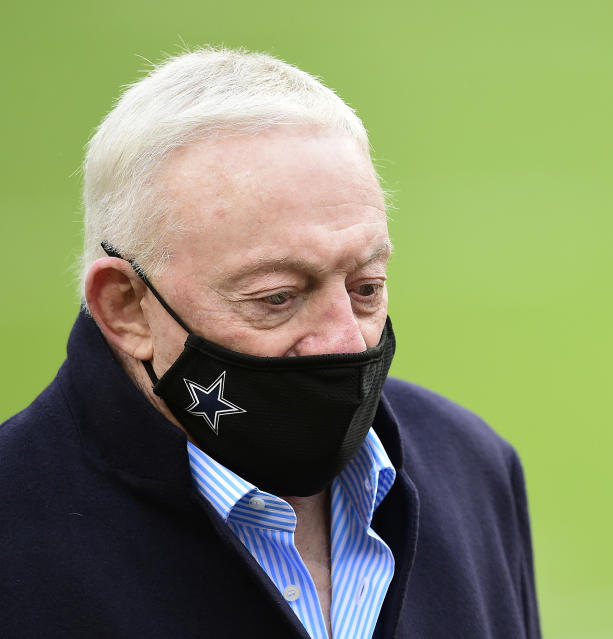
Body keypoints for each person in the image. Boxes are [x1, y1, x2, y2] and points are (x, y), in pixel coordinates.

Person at [0, 47, 540, 639]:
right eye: (277, 297)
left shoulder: (471, 468)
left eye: (366, 287)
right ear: (126, 307)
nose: (342, 340)